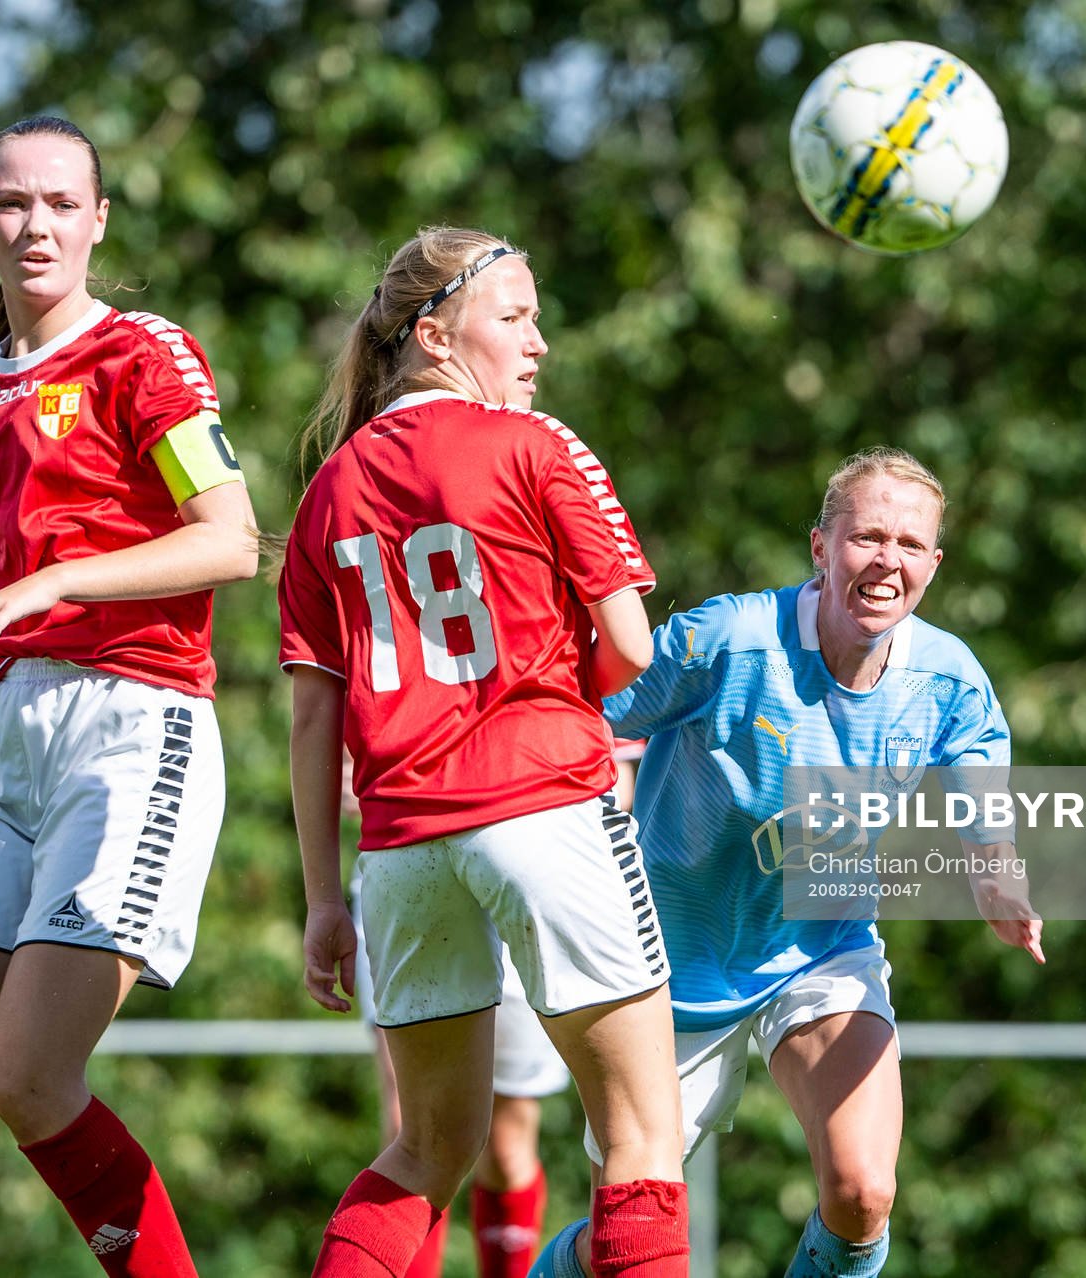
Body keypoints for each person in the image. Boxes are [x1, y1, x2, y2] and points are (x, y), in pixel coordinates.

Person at [0, 114, 258, 1276]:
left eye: (62, 203)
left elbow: (230, 544)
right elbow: (12, 599)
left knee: (27, 1080)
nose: (37, 223)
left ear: (98, 219)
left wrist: (50, 584)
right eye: (14, 202)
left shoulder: (145, 354)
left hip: (131, 730)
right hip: (3, 740)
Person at [277, 226, 689, 1277]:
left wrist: (324, 900)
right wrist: (548, 685)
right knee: (643, 1143)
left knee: (423, 1150)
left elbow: (314, 718)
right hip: (546, 806)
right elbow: (632, 648)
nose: (539, 344)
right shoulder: (538, 446)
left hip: (402, 852)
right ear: (434, 334)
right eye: (515, 317)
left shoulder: (328, 490)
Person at [529, 447, 1046, 1278]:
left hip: (819, 949)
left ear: (935, 564)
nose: (888, 562)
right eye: (867, 537)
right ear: (820, 548)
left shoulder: (949, 679)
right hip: (664, 967)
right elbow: (580, 702)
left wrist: (996, 871)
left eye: (911, 546)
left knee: (863, 1192)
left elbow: (983, 792)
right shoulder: (730, 640)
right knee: (626, 1245)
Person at [344, 746, 573, 1278]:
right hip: (409, 859)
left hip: (521, 875)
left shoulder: (811, 759)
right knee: (415, 1132)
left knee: (508, 1148)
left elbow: (617, 769)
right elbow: (322, 729)